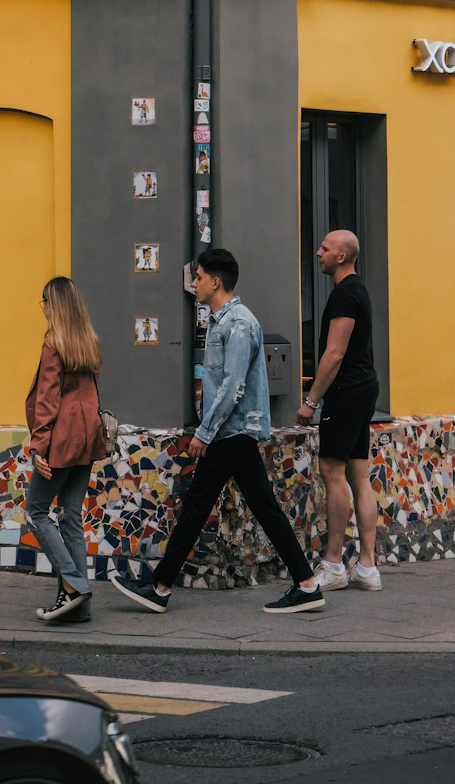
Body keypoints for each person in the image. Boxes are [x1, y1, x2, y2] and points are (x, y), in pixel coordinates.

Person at [111, 247, 324, 616]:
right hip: (233, 431)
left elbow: (232, 387)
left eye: (197, 277)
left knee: (197, 504)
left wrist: (204, 432)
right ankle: (306, 583)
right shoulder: (222, 321)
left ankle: (160, 587)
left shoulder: (238, 323)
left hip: (232, 431)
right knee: (263, 506)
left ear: (215, 281)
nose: (193, 283)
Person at [296, 229, 382, 593]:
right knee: (359, 474)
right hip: (363, 388)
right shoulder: (357, 290)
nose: (318, 253)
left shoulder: (346, 294)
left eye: (325, 249)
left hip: (346, 392)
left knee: (332, 472)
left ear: (342, 257)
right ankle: (367, 567)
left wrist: (311, 401)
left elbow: (335, 353)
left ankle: (333, 563)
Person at [24, 276, 107, 624]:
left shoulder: (53, 342)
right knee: (71, 518)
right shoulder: (87, 341)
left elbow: (47, 401)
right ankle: (79, 606)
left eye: (43, 300)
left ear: (52, 304)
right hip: (88, 438)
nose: (41, 306)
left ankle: (74, 586)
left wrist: (38, 446)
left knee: (36, 512)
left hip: (61, 439)